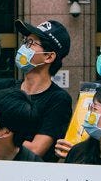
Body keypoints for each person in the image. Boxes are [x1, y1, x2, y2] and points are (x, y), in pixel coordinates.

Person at [8, 18, 74, 158]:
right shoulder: (5, 87)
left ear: (49, 57)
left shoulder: (58, 100)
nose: (24, 47)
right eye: (25, 41)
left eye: (31, 43)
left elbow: (36, 150)